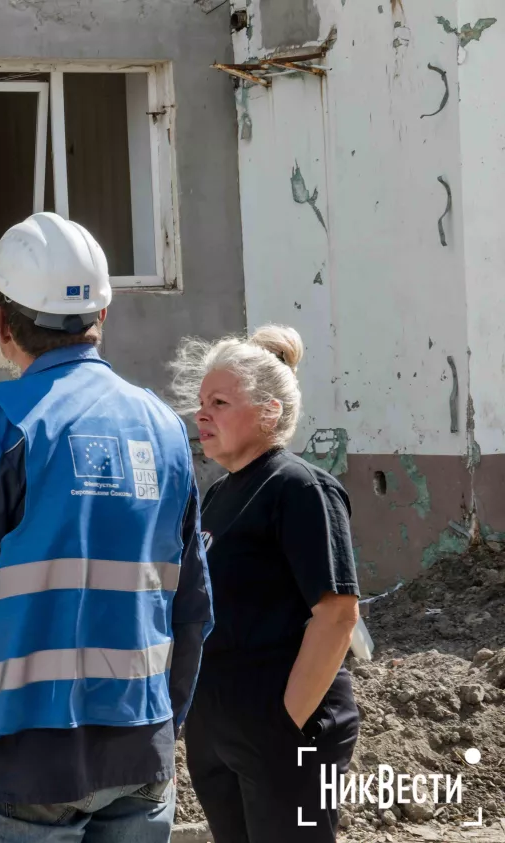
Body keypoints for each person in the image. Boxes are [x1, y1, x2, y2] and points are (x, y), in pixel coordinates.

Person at [0, 212, 214, 843]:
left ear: (0, 321)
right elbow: (193, 608)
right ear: (102, 317)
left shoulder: (0, 426)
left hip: (24, 760)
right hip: (141, 748)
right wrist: (162, 725)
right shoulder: (165, 429)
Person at [172, 326, 361, 842]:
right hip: (217, 732)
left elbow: (338, 614)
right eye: (200, 402)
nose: (201, 414)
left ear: (269, 412)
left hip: (283, 732)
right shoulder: (217, 495)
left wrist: (282, 723)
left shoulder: (300, 488)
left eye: (219, 402)